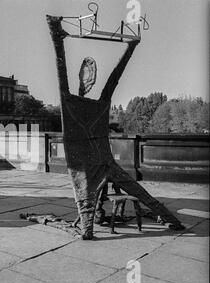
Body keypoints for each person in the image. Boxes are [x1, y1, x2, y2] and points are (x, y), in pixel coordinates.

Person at [46, 15, 184, 240]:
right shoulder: (97, 104)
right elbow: (113, 79)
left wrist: (56, 35)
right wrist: (131, 48)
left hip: (84, 164)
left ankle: (90, 227)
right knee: (145, 198)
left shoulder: (70, 102)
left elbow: (66, 74)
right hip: (103, 161)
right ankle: (173, 221)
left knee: (87, 214)